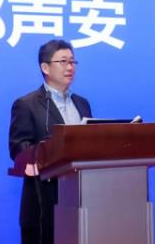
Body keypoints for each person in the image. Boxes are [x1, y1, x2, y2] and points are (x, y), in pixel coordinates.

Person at [9, 39, 93, 244]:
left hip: (82, 198)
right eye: (63, 61)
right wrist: (49, 151)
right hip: (43, 201)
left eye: (72, 62)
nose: (70, 67)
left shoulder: (82, 103)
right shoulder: (27, 104)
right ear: (45, 68)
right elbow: (18, 148)